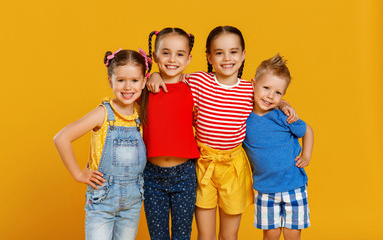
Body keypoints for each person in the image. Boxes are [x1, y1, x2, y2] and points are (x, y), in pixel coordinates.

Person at [147, 26, 298, 240]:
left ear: (243, 54)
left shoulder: (250, 90)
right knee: (205, 235)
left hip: (233, 167)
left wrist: (283, 103)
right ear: (209, 56)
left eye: (233, 51)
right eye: (219, 52)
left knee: (229, 235)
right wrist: (153, 73)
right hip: (203, 164)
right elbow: (171, 74)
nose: (227, 58)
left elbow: (269, 96)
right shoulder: (197, 81)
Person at [53, 48, 151, 240]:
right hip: (102, 200)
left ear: (144, 82)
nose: (127, 87)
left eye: (134, 80)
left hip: (132, 201)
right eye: (121, 80)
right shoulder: (103, 113)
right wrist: (78, 173)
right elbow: (61, 138)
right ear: (110, 81)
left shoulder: (142, 114)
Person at [243, 54, 314, 240]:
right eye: (266, 88)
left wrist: (306, 155)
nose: (270, 96)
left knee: (292, 234)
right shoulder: (242, 117)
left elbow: (307, 130)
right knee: (271, 235)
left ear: (283, 95)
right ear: (253, 84)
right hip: (265, 189)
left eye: (277, 93)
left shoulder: (283, 116)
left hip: (294, 186)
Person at [142, 27, 200, 240]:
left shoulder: (194, 88)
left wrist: (282, 102)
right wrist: (152, 74)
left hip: (184, 175)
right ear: (155, 56)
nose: (172, 59)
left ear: (188, 59)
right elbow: (123, 88)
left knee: (182, 235)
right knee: (158, 236)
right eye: (165, 53)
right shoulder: (145, 89)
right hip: (151, 175)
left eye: (179, 54)